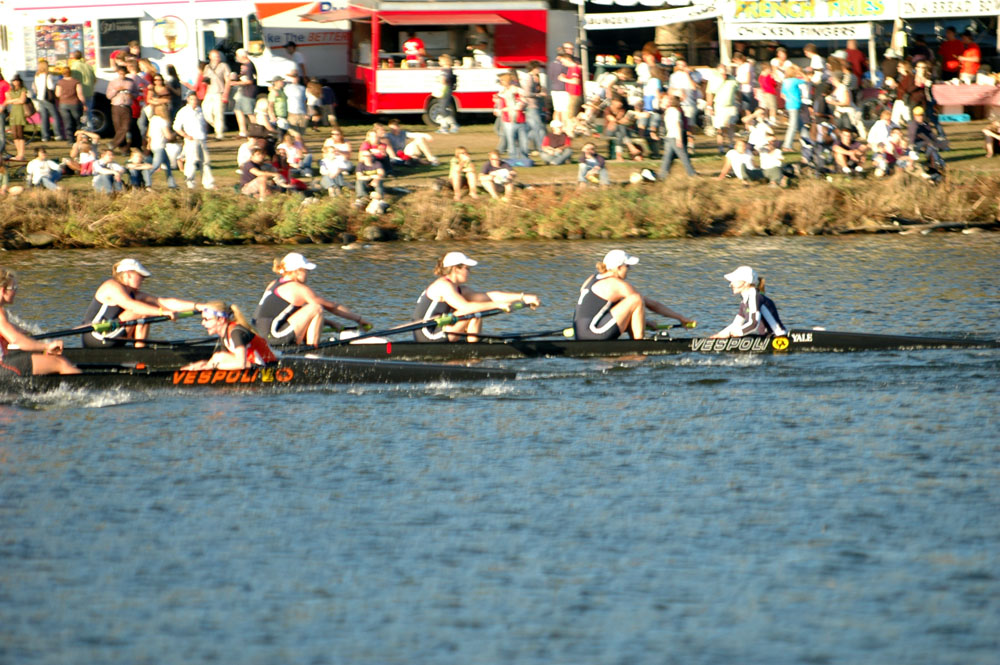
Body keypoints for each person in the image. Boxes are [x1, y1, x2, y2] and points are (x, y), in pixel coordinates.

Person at [413, 251, 540, 343]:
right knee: (472, 310)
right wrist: (497, 305)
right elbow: (466, 307)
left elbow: (490, 296)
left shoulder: (459, 289)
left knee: (476, 312)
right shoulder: (443, 286)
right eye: (467, 268)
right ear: (456, 269)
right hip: (427, 336)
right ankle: (473, 352)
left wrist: (523, 297)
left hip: (441, 329)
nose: (469, 272)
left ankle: (473, 350)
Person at [253, 252, 371, 347]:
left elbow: (285, 316)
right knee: (316, 307)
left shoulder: (274, 283)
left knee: (310, 308)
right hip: (275, 336)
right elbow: (332, 307)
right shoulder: (298, 288)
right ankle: (313, 352)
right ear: (297, 270)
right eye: (306, 270)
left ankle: (309, 346)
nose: (308, 274)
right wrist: (360, 320)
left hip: (262, 337)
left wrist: (331, 323)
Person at [573, 249, 694, 341]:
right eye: (627, 266)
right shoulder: (617, 284)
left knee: (628, 302)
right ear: (618, 267)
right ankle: (639, 344)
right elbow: (652, 305)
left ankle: (637, 340)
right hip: (594, 333)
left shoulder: (591, 279)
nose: (629, 269)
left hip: (580, 332)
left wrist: (644, 321)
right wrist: (680, 318)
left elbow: (594, 309)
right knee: (636, 299)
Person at [82, 258, 203, 348]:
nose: (143, 279)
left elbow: (164, 302)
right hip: (95, 337)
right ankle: (141, 351)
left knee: (147, 305)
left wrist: (199, 306)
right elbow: (133, 307)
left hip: (112, 334)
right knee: (143, 310)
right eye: (140, 275)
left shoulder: (135, 294)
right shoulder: (111, 286)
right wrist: (162, 312)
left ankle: (140, 350)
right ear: (128, 274)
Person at [0, 269, 80, 376]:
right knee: (61, 363)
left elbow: (21, 334)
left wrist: (35, 343)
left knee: (43, 356)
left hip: (5, 363)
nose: (16, 291)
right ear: (3, 290)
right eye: (14, 288)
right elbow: (17, 340)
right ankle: (89, 390)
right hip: (3, 367)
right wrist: (47, 346)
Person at [181, 301, 276, 370]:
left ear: (221, 320)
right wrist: (197, 366)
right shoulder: (224, 334)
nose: (202, 323)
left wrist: (212, 366)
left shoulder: (236, 332)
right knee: (217, 357)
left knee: (219, 357)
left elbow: (241, 364)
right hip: (253, 365)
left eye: (206, 319)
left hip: (267, 368)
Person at [710, 265, 786, 339]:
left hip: (778, 338)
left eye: (734, 280)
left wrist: (731, 333)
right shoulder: (745, 300)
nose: (731, 284)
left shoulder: (754, 297)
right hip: (766, 337)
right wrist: (719, 335)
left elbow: (753, 324)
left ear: (746, 283)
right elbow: (736, 324)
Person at [172, 93, 214, 189]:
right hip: (191, 140)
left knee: (205, 162)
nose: (194, 101)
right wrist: (186, 136)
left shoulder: (200, 110)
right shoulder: (184, 111)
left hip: (201, 139)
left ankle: (208, 183)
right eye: (192, 99)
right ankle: (190, 182)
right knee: (191, 162)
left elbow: (204, 124)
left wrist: (205, 134)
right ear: (188, 100)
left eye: (196, 99)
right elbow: (176, 127)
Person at [657, 95, 697, 179]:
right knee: (684, 156)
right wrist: (679, 139)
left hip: (668, 137)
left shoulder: (668, 111)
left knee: (667, 158)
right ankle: (692, 174)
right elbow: (677, 125)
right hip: (675, 136)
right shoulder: (676, 111)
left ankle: (662, 175)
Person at [105, 66, 138, 152]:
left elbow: (136, 93)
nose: (122, 75)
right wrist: (116, 90)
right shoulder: (113, 82)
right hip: (116, 106)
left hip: (126, 106)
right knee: (118, 128)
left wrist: (132, 95)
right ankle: (124, 149)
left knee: (125, 127)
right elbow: (108, 96)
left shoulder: (131, 82)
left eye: (123, 73)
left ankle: (113, 143)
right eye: (120, 73)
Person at [202, 49, 231, 140]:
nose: (217, 58)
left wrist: (226, 93)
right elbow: (205, 78)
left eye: (218, 56)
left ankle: (219, 133)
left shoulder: (224, 66)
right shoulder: (207, 67)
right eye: (215, 56)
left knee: (218, 113)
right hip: (209, 92)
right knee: (206, 112)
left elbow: (228, 80)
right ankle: (219, 127)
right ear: (210, 57)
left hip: (219, 92)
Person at [230, 49, 258, 137]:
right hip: (242, 91)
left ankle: (257, 130)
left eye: (237, 55)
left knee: (250, 113)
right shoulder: (244, 65)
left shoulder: (249, 66)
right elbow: (243, 76)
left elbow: (250, 81)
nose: (236, 57)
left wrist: (236, 83)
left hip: (249, 92)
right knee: (238, 110)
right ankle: (243, 131)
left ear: (242, 56)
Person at [55, 66, 85, 143]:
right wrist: (84, 104)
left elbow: (57, 94)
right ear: (70, 72)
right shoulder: (76, 82)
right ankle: (78, 137)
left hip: (63, 104)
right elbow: (80, 94)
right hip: (74, 103)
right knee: (77, 122)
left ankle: (70, 139)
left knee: (67, 122)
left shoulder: (60, 82)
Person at [69, 50, 96, 131]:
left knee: (80, 112)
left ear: (73, 57)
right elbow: (94, 79)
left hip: (79, 93)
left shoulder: (74, 67)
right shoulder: (88, 66)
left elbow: (72, 81)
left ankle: (82, 128)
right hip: (89, 91)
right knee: (89, 111)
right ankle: (90, 127)